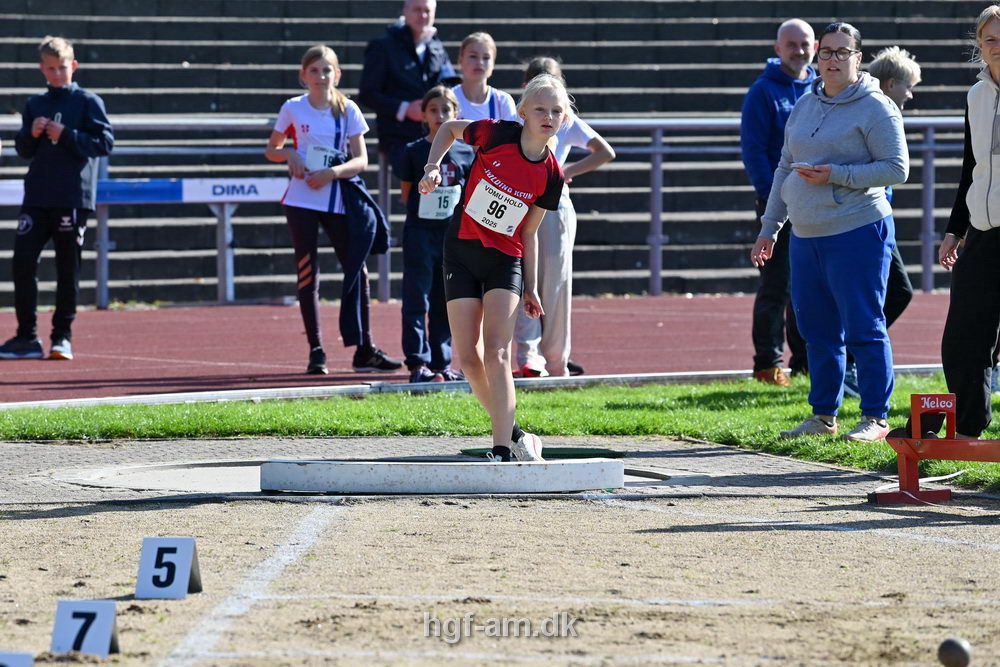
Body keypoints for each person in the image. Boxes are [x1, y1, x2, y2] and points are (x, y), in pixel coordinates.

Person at [750, 22, 909, 442]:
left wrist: (836, 175)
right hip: (805, 234)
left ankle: (875, 417)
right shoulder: (805, 103)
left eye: (843, 52)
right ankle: (823, 415)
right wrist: (770, 227)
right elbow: (785, 166)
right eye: (827, 53)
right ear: (818, 57)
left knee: (864, 327)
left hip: (857, 229)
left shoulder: (876, 107)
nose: (833, 60)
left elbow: (897, 168)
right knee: (816, 330)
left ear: (858, 58)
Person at [417, 74, 567, 462]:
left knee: (498, 350)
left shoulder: (552, 174)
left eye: (556, 110)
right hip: (462, 249)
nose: (548, 116)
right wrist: (433, 166)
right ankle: (516, 432)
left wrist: (531, 286)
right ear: (523, 113)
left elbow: (529, 232)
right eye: (540, 109)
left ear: (564, 119)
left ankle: (500, 448)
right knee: (468, 357)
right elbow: (449, 128)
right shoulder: (496, 133)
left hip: (506, 259)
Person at [265, 45, 402, 375]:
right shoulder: (292, 108)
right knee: (308, 273)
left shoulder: (348, 110)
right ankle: (316, 350)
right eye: (314, 71)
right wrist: (291, 156)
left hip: (338, 199)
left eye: (326, 70)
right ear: (303, 75)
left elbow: (361, 160)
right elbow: (272, 149)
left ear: (336, 75)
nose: (321, 76)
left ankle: (364, 348)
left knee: (358, 270)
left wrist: (332, 173)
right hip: (301, 200)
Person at [2, 36, 113, 361]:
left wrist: (67, 135)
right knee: (22, 263)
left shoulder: (88, 101)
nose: (57, 74)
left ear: (73, 66)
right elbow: (23, 150)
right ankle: (26, 337)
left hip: (72, 197)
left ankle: (61, 337)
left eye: (62, 68)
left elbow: (105, 143)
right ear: (42, 70)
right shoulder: (35, 104)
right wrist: (30, 134)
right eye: (50, 69)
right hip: (37, 196)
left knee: (67, 269)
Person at [512, 57, 615, 378]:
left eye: (553, 83)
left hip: (555, 209)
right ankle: (529, 357)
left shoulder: (565, 120)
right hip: (519, 206)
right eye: (537, 83)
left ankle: (556, 361)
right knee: (521, 281)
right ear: (525, 91)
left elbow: (604, 151)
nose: (548, 110)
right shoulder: (517, 119)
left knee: (554, 283)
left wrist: (564, 172)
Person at [837, 46, 922, 397]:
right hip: (861, 219)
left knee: (890, 293)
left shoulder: (884, 113)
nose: (911, 93)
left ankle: (848, 361)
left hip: (877, 217)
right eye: (907, 85)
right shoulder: (872, 114)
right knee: (893, 292)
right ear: (889, 84)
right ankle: (847, 361)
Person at [740, 19, 816, 386]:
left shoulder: (821, 87)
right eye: (791, 44)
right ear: (777, 48)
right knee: (776, 285)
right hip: (777, 205)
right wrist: (771, 199)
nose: (799, 51)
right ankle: (767, 363)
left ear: (815, 47)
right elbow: (753, 151)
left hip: (816, 204)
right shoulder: (763, 92)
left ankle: (804, 361)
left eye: (804, 44)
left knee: (809, 286)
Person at [939, 4, 1000, 438]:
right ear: (978, 44)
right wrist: (954, 229)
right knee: (963, 336)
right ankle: (969, 431)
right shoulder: (976, 95)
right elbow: (970, 166)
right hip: (982, 232)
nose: (997, 47)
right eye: (990, 39)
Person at [395, 86, 474, 382]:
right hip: (420, 235)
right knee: (417, 298)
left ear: (457, 114)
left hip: (451, 237)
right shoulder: (414, 151)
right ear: (424, 115)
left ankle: (442, 363)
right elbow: (406, 194)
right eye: (433, 110)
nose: (440, 116)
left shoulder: (466, 151)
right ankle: (418, 363)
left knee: (446, 300)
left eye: (446, 110)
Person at [358, 0, 456, 173]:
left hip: (435, 134)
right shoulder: (382, 46)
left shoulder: (436, 47)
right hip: (399, 137)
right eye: (417, 10)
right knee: (416, 189)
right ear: (405, 11)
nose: (423, 15)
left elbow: (450, 87)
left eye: (427, 10)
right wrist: (405, 108)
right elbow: (367, 93)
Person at [452, 32, 518, 123]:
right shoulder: (449, 98)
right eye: (473, 56)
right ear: (460, 60)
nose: (480, 62)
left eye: (486, 57)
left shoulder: (503, 101)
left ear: (493, 63)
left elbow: (511, 136)